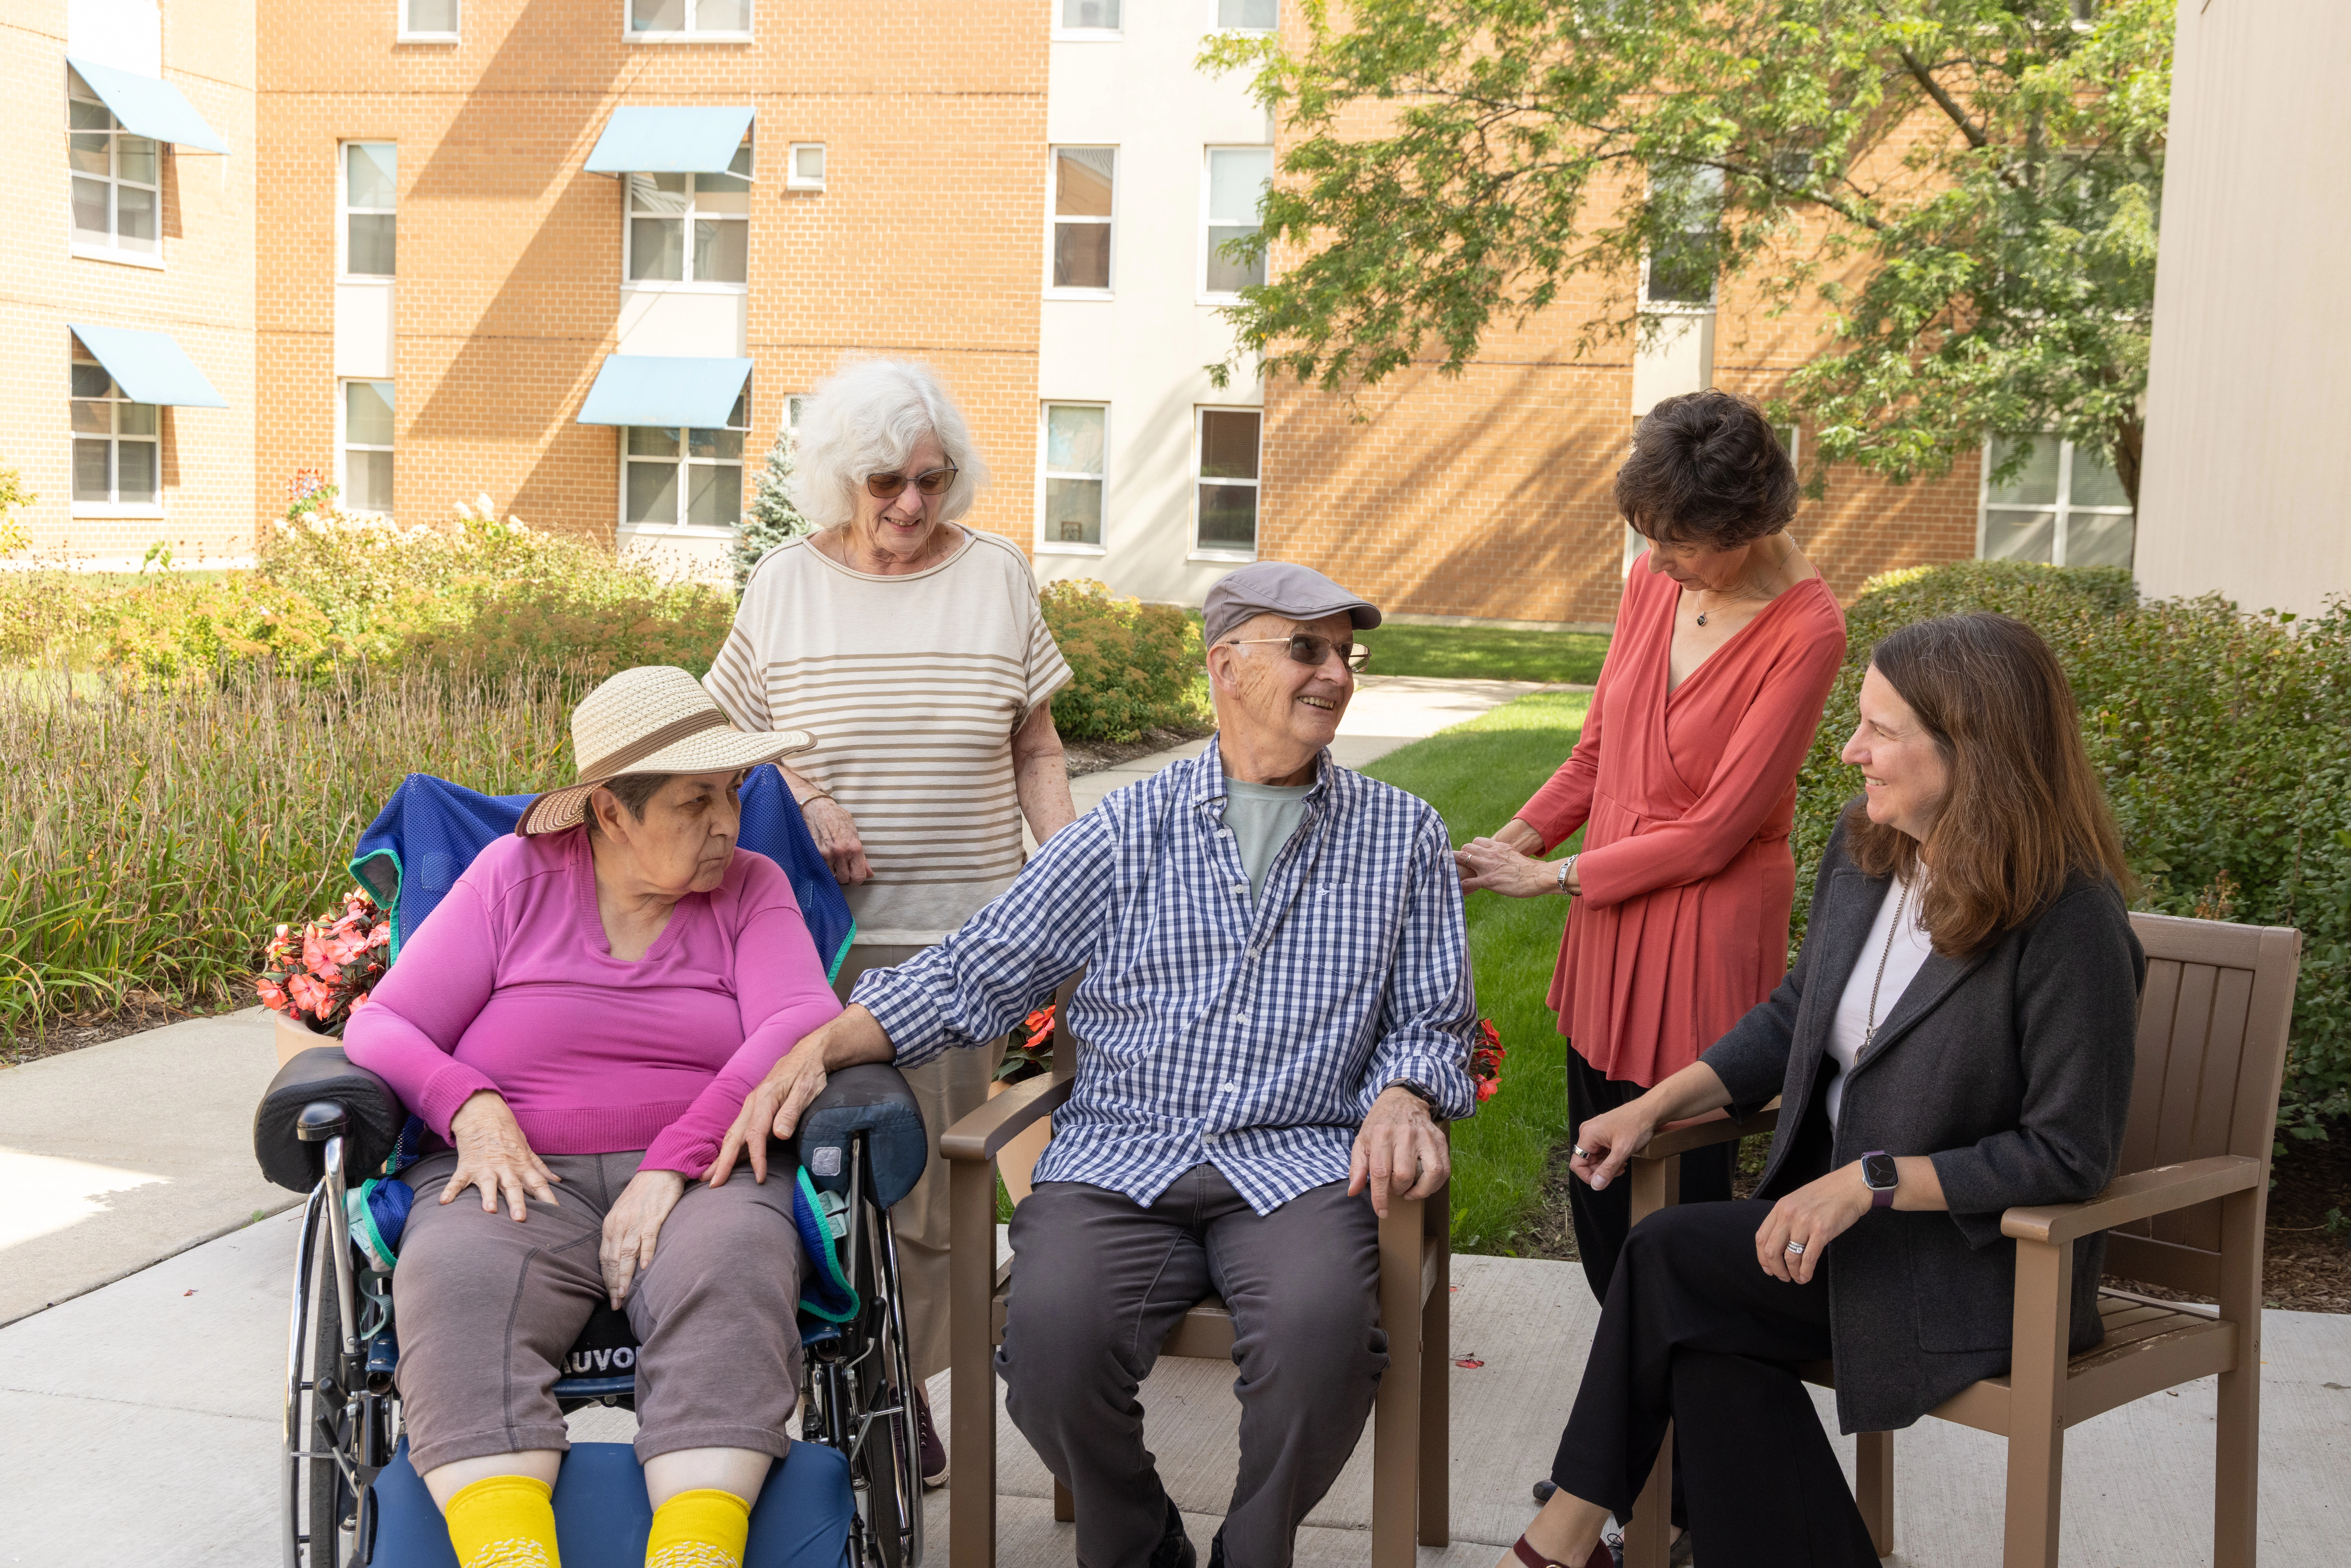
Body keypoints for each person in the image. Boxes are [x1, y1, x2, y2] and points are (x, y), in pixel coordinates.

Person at [709, 561, 1478, 1568]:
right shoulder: (1127, 831)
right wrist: (820, 1046)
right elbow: (975, 972)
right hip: (1125, 1158)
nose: (1335, 672)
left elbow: (1435, 1021)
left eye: (1346, 653)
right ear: (1226, 666)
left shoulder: (1402, 836)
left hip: (1301, 1163)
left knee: (1322, 1342)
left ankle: (1255, 1549)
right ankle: (1138, 1544)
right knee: (1050, 1349)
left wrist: (1405, 1093)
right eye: (1307, 649)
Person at [1509, 613, 2144, 1568]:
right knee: (1701, 1337)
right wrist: (1655, 1105)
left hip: (1981, 1270)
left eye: (1881, 732)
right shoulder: (1872, 850)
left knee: (1668, 1260)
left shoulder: (2071, 922)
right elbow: (1794, 1016)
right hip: (1837, 1244)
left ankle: (1560, 1543)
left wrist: (1872, 1181)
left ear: (1973, 749)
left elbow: (2067, 1155)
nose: (1851, 751)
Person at [342, 665, 846, 1568]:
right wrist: (473, 1106)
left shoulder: (755, 886)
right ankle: (508, 1553)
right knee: (454, 1276)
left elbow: (799, 1018)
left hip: (703, 1175)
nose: (727, 823)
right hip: (520, 1169)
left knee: (734, 1265)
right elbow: (382, 1023)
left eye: (732, 794)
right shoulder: (513, 878)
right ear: (611, 811)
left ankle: (697, 1551)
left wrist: (674, 1160)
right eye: (695, 803)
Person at [701, 357, 1077, 1484]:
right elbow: (721, 746)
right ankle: (854, 1381)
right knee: (812, 1178)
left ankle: (888, 1382)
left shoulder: (997, 574)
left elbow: (1035, 745)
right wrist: (807, 795)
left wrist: (1065, 876)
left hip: (962, 945)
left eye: (930, 479)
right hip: (811, 946)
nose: (910, 505)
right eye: (884, 482)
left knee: (920, 1193)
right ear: (838, 478)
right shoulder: (782, 583)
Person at [1457, 389, 1846, 1300]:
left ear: (1750, 521)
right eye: (1650, 535)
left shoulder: (1809, 630)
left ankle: (1677, 1377)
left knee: (1674, 1181)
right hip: (1610, 911)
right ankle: (1626, 1355)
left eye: (1678, 540)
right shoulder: (1654, 584)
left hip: (1706, 929)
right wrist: (1504, 846)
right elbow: (1598, 753)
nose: (1659, 559)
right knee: (1594, 1165)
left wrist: (1553, 876)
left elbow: (1716, 832)